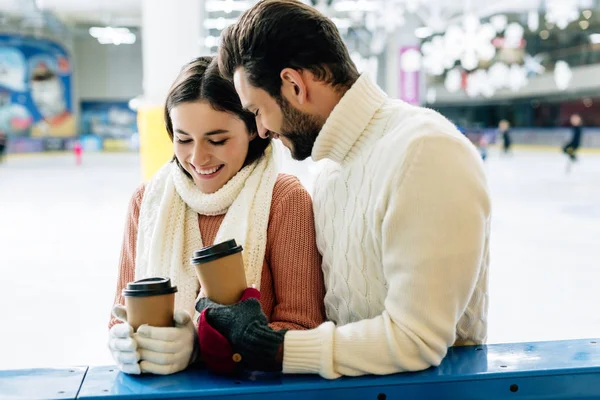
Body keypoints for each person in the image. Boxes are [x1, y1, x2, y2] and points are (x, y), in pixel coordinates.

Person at [196, 0, 491, 379]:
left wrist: (272, 347)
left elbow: (416, 339)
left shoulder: (425, 151)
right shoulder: (330, 171)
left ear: (294, 85)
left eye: (256, 111)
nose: (263, 131)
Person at [108, 56, 326, 375]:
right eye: (183, 140)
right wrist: (123, 340)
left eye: (217, 140)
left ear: (254, 128)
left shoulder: (283, 199)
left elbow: (303, 328)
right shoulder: (147, 201)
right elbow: (122, 312)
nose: (198, 157)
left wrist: (200, 344)